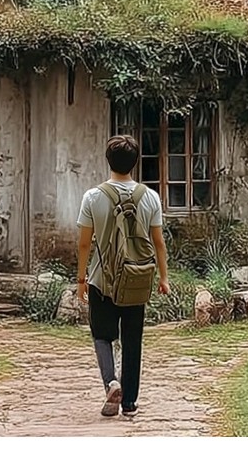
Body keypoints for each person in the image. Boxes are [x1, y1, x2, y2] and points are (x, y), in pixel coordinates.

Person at [76, 134, 169, 417]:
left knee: (102, 336)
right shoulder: (150, 197)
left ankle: (110, 382)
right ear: (135, 162)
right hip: (136, 279)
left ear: (108, 161)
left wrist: (81, 278)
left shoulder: (93, 197)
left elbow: (83, 243)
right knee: (132, 339)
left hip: (102, 280)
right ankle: (128, 403)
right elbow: (158, 242)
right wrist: (163, 278)